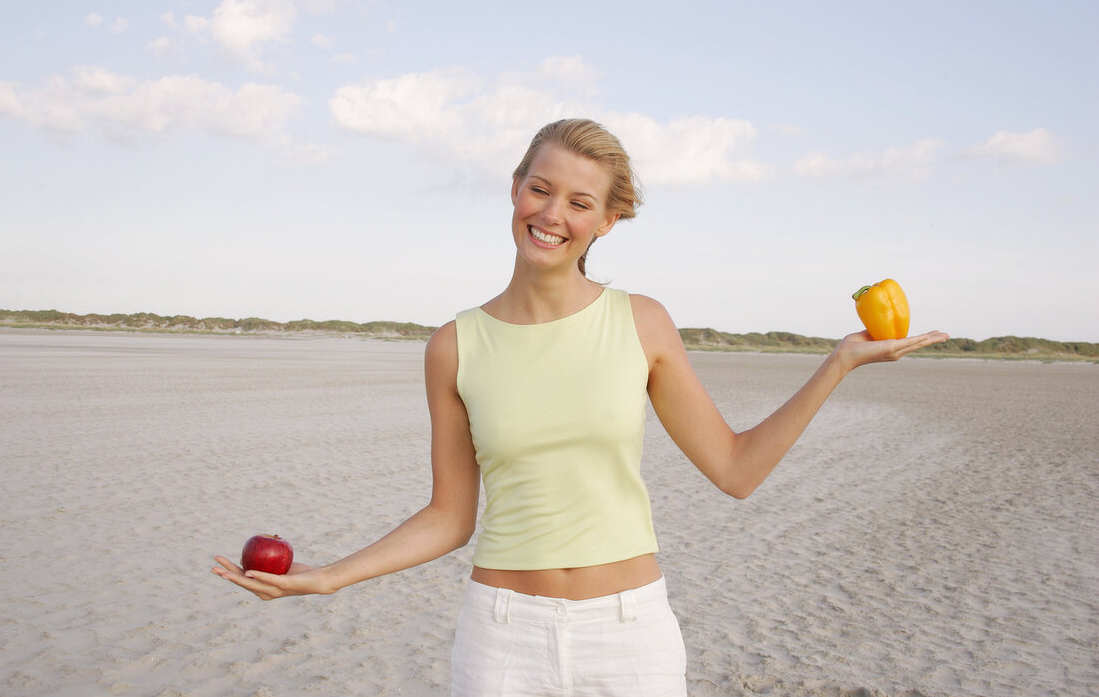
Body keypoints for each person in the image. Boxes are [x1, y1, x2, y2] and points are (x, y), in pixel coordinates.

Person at [212, 118, 948, 695]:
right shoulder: (454, 346)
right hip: (501, 639)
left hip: (629, 638)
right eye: (541, 188)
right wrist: (327, 574)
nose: (552, 213)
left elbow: (735, 468)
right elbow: (450, 515)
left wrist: (838, 363)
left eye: (579, 202)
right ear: (514, 188)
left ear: (608, 221)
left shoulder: (641, 322)